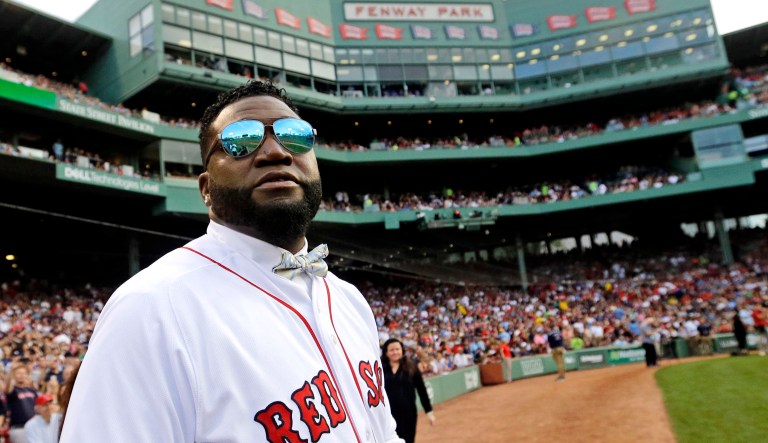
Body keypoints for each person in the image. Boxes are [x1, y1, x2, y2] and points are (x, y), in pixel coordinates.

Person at [60, 81, 404, 442]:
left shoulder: (349, 299)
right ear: (206, 188)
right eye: (241, 140)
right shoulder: (153, 307)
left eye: (295, 135)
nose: (275, 152)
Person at [382, 338, 435, 443]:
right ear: (386, 352)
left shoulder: (411, 367)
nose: (395, 352)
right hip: (388, 415)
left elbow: (422, 390)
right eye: (391, 350)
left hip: (408, 414)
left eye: (397, 349)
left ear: (402, 350)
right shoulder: (380, 369)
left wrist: (429, 411)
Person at [5, 363, 38, 443]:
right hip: (19, 428)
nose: (21, 375)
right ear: (14, 375)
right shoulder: (12, 390)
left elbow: (38, 406)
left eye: (23, 373)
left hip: (34, 427)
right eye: (19, 373)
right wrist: (11, 375)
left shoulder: (32, 390)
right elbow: (8, 390)